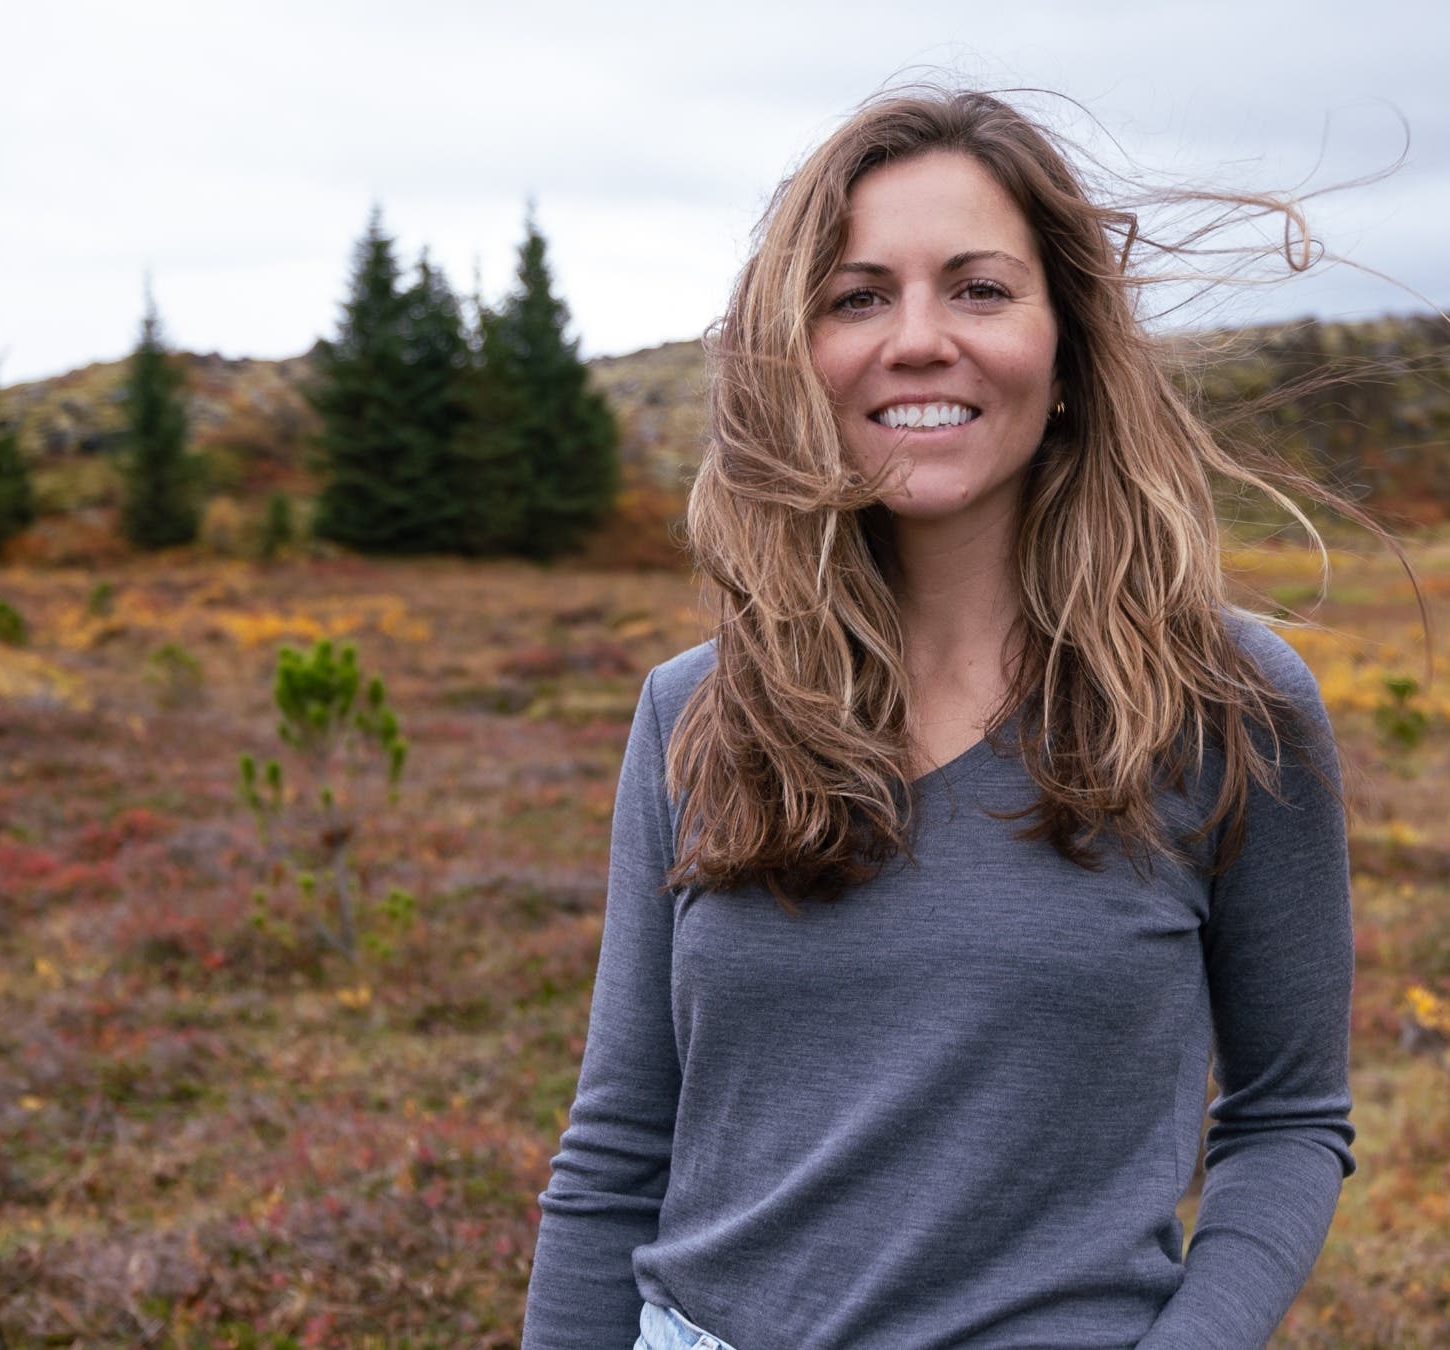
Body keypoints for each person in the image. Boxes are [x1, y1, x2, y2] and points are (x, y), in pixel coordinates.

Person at [524, 83, 1383, 1350]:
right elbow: (616, 1148)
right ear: (797, 355)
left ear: (1068, 346)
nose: (919, 339)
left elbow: (1290, 1116)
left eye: (979, 289)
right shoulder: (697, 712)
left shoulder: (1227, 709)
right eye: (859, 295)